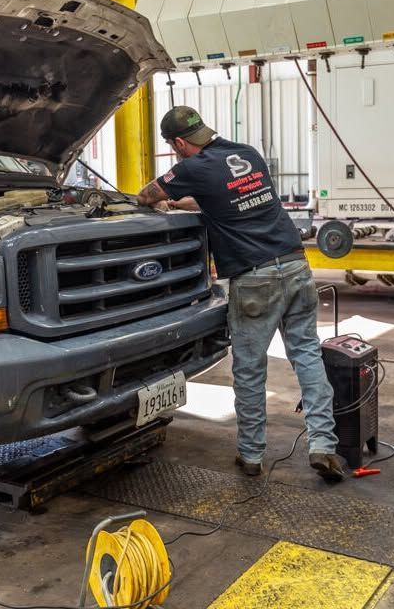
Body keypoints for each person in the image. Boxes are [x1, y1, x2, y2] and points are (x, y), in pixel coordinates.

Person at [137, 106, 344, 481]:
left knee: (250, 370)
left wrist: (165, 199)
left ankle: (251, 455)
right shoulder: (247, 154)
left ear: (179, 143)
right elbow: (218, 197)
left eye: (173, 146)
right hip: (296, 266)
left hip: (255, 278)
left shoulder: (189, 169)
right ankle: (323, 446)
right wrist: (181, 200)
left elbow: (145, 196)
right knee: (308, 358)